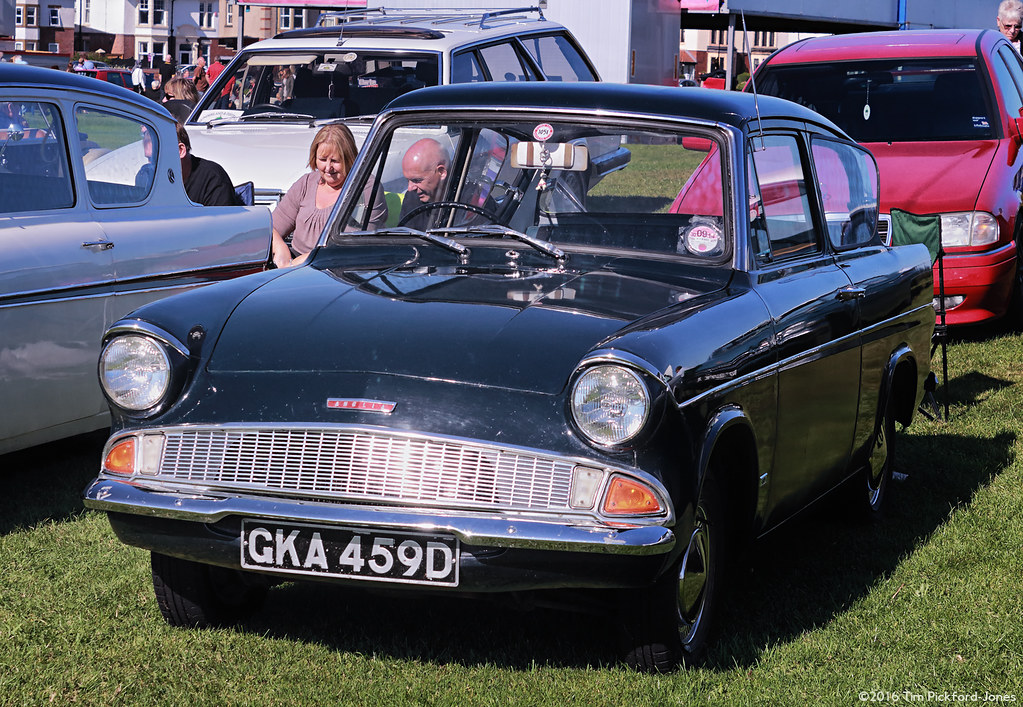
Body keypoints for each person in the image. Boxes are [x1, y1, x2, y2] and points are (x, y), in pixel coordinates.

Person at [271, 124, 387, 267]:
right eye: (322, 159)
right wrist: (280, 249)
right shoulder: (306, 183)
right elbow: (271, 228)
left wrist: (301, 262)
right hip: (295, 267)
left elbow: (350, 247)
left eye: (335, 161)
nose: (327, 168)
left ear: (349, 158)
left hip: (339, 270)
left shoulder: (365, 188)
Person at [175, 122, 242, 206]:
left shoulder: (214, 179)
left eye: (156, 153)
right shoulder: (158, 183)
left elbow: (221, 218)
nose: (153, 163)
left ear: (180, 151)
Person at [396, 138, 450, 230]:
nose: (410, 188)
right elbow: (404, 238)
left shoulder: (471, 199)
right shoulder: (412, 198)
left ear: (441, 172)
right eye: (407, 181)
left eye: (417, 180)